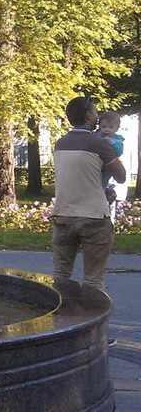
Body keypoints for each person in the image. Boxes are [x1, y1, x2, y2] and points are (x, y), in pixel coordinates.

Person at [52, 97, 126, 293]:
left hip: (63, 216)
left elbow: (80, 175)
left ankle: (61, 318)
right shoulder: (100, 144)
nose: (98, 116)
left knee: (60, 275)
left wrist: (103, 187)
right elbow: (121, 176)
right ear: (88, 115)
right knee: (93, 280)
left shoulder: (60, 144)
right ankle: (93, 322)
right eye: (95, 112)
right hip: (94, 218)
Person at [97, 110, 125, 210]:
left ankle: (104, 191)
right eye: (104, 127)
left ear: (116, 128)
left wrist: (111, 142)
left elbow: (119, 151)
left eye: (110, 127)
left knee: (104, 180)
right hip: (97, 163)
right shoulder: (97, 135)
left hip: (108, 165)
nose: (107, 130)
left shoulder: (117, 139)